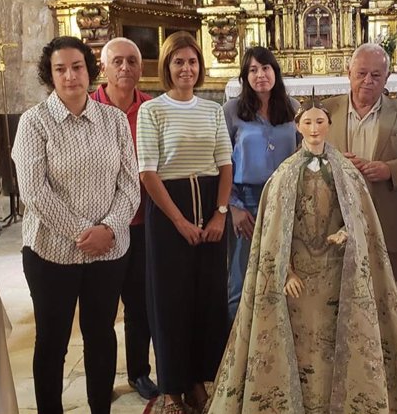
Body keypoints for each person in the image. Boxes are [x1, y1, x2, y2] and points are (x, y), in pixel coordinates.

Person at [207, 96, 397, 414]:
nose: (314, 128)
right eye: (308, 122)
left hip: (337, 269)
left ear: (329, 125)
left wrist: (347, 233)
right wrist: (285, 271)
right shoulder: (284, 175)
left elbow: (360, 218)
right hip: (297, 272)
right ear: (298, 127)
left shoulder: (346, 171)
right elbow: (274, 230)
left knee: (335, 336)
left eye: (320, 122)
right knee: (302, 338)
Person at [12, 36, 140, 414]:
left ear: (90, 69)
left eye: (77, 66)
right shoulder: (34, 123)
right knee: (52, 340)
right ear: (49, 76)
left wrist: (110, 229)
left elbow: (130, 184)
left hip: (109, 251)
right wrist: (84, 234)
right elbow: (35, 192)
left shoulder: (114, 120)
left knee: (101, 335)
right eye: (60, 69)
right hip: (51, 253)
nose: (70, 76)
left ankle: (100, 407)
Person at [137, 31, 232, 414]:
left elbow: (225, 163)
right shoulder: (152, 111)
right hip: (169, 214)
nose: (186, 69)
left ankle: (197, 380)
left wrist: (220, 213)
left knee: (207, 300)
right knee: (171, 301)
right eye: (178, 62)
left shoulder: (212, 110)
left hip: (210, 208)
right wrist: (179, 222)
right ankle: (173, 386)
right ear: (167, 66)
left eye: (192, 62)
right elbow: (148, 173)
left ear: (199, 66)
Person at [323, 43, 397, 319]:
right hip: (338, 219)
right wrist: (335, 165)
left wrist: (390, 169)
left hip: (391, 217)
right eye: (361, 73)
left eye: (376, 75)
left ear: (387, 77)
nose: (367, 81)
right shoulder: (325, 112)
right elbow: (305, 158)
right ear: (348, 73)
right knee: (338, 293)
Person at [90, 37, 158, 400]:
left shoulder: (151, 108)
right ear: (103, 67)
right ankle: (99, 380)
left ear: (141, 68)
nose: (125, 68)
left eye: (132, 61)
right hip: (104, 227)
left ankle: (138, 373)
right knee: (100, 308)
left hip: (144, 223)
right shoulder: (89, 109)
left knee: (139, 304)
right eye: (117, 61)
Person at [223, 46, 300, 326]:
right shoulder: (232, 110)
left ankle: (276, 337)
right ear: (245, 76)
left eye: (265, 68)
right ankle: (238, 342)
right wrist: (233, 206)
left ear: (275, 73)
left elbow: (303, 153)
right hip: (246, 201)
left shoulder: (291, 108)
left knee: (283, 268)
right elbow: (220, 160)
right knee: (241, 276)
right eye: (253, 70)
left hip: (283, 198)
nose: (260, 75)